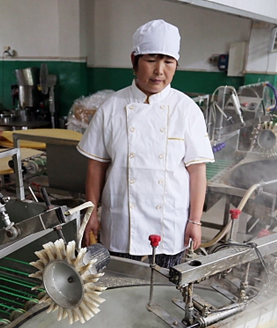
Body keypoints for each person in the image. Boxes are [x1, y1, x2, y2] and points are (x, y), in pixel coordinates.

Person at [77, 19, 214, 267]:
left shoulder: (187, 110)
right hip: (120, 224)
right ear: (134, 61)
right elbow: (96, 166)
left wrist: (195, 220)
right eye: (151, 60)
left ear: (176, 66)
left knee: (164, 294)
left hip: (170, 225)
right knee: (119, 291)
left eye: (168, 62)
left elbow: (197, 171)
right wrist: (91, 214)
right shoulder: (111, 108)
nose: (159, 70)